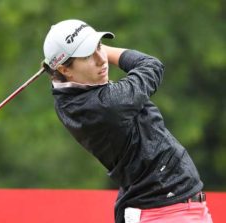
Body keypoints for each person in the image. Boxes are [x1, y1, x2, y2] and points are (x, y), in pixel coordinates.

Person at [42, 19, 213, 223]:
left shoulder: (66, 96)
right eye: (88, 55)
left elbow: (61, 81)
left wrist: (77, 50)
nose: (101, 59)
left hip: (172, 208)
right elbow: (151, 65)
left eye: (99, 47)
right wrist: (102, 48)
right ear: (65, 70)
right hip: (166, 213)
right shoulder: (107, 104)